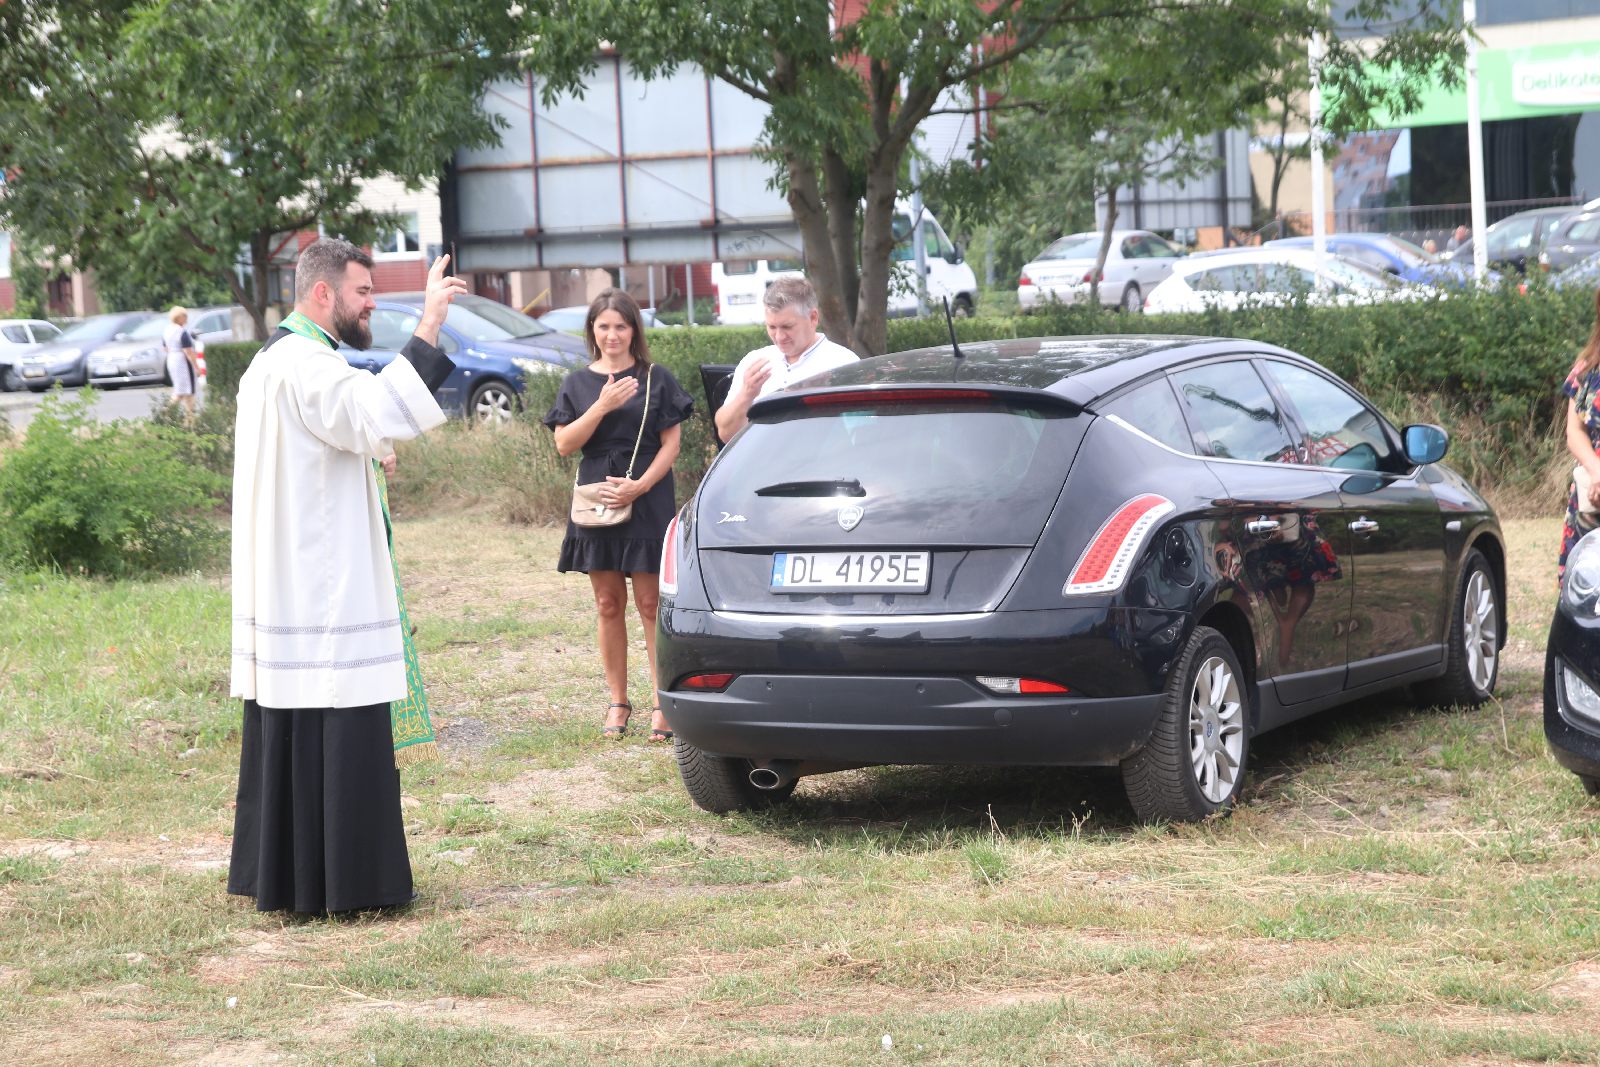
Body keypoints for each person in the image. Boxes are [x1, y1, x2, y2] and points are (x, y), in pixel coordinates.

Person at [227, 239, 465, 915]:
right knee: (337, 718)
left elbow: (331, 443)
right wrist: (429, 326)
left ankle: (292, 877)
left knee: (295, 729)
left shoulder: (274, 362)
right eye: (363, 291)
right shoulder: (307, 364)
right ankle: (346, 883)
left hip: (294, 576)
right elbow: (374, 412)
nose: (371, 303)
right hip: (321, 589)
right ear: (323, 293)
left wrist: (368, 457)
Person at [544, 288, 694, 742]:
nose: (612, 335)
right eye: (604, 325)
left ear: (634, 331)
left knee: (652, 604)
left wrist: (642, 485)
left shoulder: (656, 378)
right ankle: (617, 702)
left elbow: (672, 442)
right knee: (608, 603)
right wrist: (603, 404)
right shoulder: (576, 384)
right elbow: (565, 444)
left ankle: (661, 702)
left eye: (621, 326)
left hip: (646, 495)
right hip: (596, 497)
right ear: (592, 329)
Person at [714, 276, 859, 443]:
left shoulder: (843, 362)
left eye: (787, 327)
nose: (779, 336)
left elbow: (860, 434)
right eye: (772, 327)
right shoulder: (755, 361)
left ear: (813, 318)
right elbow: (725, 433)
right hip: (764, 464)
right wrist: (746, 395)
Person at [1562, 291, 1600, 580]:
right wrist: (1596, 470)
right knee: (1587, 591)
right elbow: (1574, 431)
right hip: (1594, 495)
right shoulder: (1588, 367)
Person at [163, 306, 200, 417]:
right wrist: (196, 367)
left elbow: (165, 348)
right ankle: (169, 413)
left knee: (181, 390)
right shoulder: (181, 332)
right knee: (186, 391)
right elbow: (188, 351)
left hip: (171, 359)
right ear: (179, 317)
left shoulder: (167, 330)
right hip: (182, 361)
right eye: (185, 316)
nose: (186, 319)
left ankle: (187, 417)